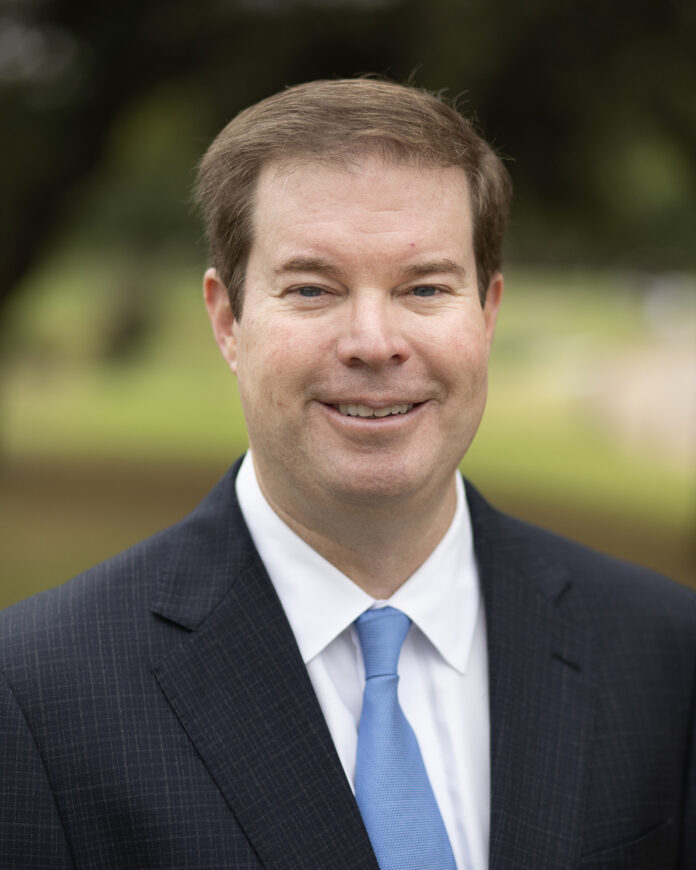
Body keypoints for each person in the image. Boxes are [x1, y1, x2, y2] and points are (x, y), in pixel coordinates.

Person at [0, 78, 694, 870]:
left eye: (424, 287)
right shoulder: (35, 693)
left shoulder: (664, 653)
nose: (373, 342)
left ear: (487, 313)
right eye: (312, 289)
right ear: (228, 320)